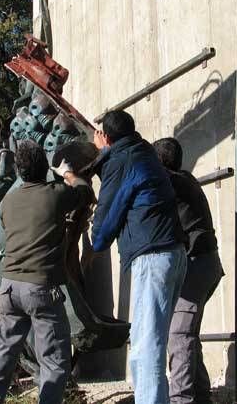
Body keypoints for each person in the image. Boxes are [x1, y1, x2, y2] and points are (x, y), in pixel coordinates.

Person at [0, 140, 92, 404]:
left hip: (9, 287)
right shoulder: (55, 193)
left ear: (18, 171)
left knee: (4, 354)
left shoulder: (8, 201)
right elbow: (84, 192)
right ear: (44, 168)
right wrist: (68, 174)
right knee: (54, 359)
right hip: (41, 288)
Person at [91, 110, 187, 404]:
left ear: (106, 137)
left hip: (152, 257)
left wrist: (102, 158)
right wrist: (105, 156)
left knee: (146, 349)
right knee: (150, 344)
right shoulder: (144, 153)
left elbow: (103, 229)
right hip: (173, 253)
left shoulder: (121, 162)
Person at [153, 137, 224, 404]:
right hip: (203, 265)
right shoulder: (186, 180)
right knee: (187, 333)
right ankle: (202, 395)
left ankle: (182, 399)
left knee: (179, 335)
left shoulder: (176, 182)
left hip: (197, 266)